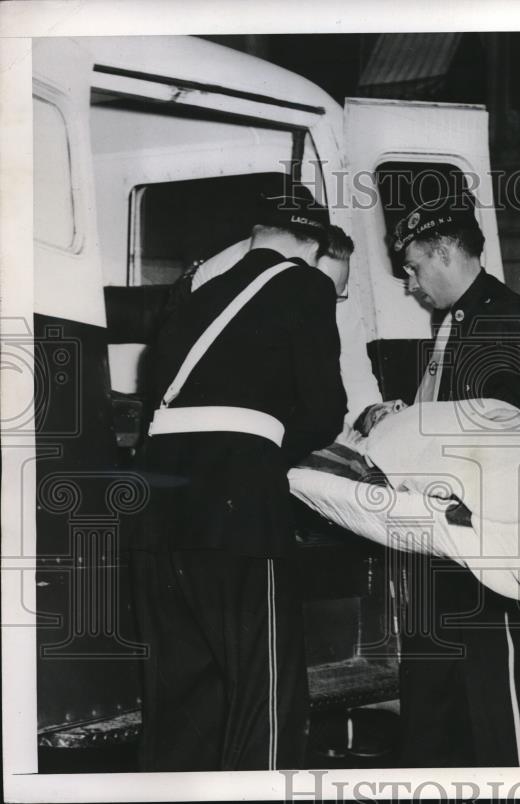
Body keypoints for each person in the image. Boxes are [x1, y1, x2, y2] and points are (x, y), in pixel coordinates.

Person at [132, 179, 348, 771]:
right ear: (314, 245)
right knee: (266, 692)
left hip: (158, 514)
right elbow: (326, 410)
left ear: (256, 233)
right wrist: (267, 454)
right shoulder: (306, 283)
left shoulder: (195, 291)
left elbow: (159, 400)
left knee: (181, 698)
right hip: (238, 514)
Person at [392, 193, 520, 767]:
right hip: (448, 547)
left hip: (488, 550)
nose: (412, 284)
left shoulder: (502, 318)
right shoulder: (461, 320)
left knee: (499, 703)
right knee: (433, 697)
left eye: (415, 268)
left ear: (445, 251)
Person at [191, 222, 388, 440]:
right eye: (321, 291)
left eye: (337, 295)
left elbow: (354, 368)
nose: (329, 304)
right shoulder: (218, 279)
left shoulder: (336, 294)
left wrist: (373, 420)